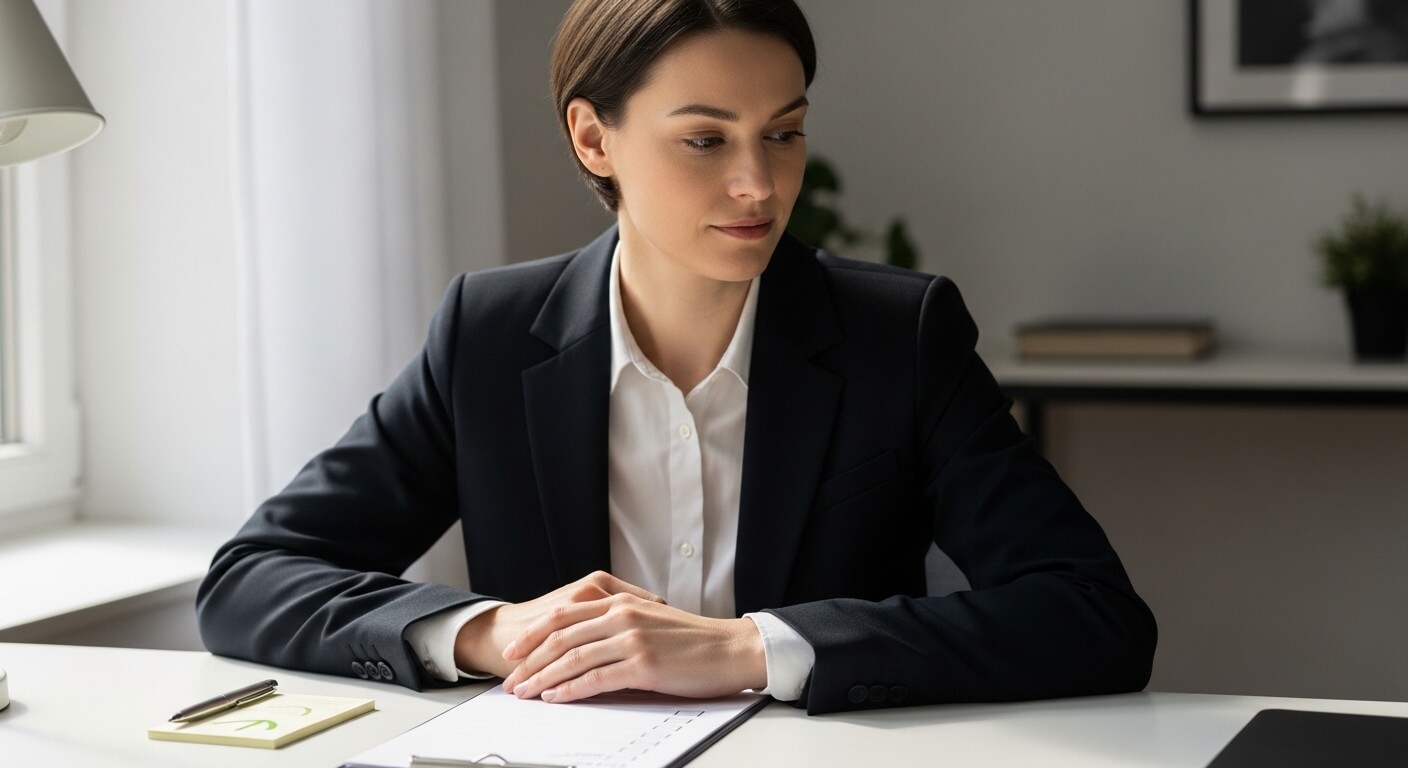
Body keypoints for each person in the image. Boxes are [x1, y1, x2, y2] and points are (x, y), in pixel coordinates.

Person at [197, 0, 1156, 716]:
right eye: (705, 138)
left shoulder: (897, 337)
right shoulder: (487, 334)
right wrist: (495, 631)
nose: (759, 183)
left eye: (783, 132)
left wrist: (749, 649)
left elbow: (1094, 616)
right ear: (592, 137)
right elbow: (251, 578)